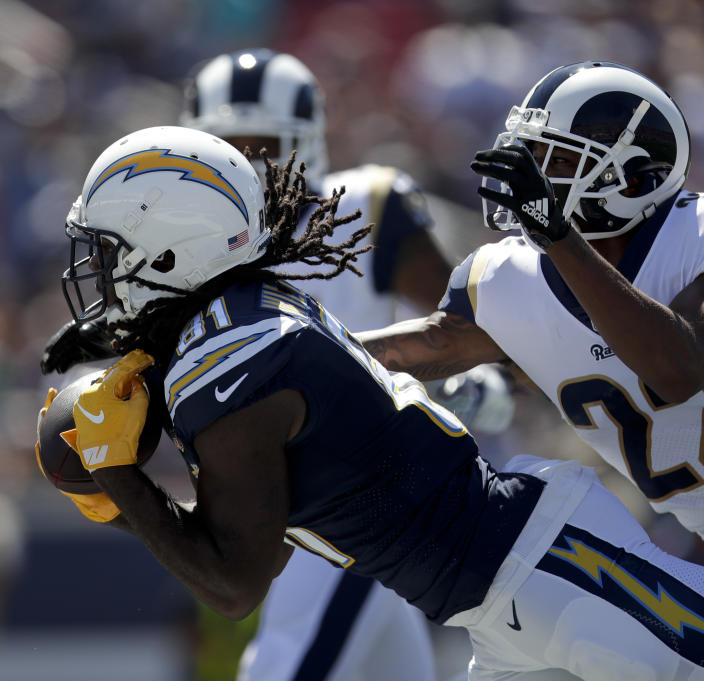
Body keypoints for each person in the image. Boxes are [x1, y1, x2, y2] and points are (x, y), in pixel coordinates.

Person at [39, 124, 704, 681]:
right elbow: (231, 529)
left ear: (170, 245)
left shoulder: (231, 359)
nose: (99, 271)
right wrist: (126, 466)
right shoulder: (232, 325)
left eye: (111, 249)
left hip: (547, 564)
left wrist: (119, 478)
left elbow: (232, 579)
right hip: (491, 601)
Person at [355, 61, 704, 623]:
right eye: (531, 159)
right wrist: (285, 337)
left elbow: (678, 367)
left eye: (558, 162)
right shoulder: (502, 280)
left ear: (635, 177)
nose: (533, 181)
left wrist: (559, 236)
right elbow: (403, 352)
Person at [180, 48, 511, 681]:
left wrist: (473, 381)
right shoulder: (186, 249)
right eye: (230, 146)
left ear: (305, 144)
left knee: (281, 667)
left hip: (354, 501)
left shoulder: (362, 202)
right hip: (279, 514)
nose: (249, 164)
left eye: (264, 144)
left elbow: (461, 327)